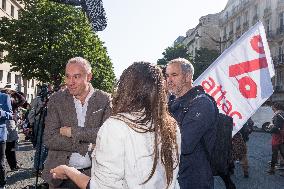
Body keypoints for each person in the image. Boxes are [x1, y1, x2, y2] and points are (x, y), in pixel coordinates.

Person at [50, 62, 180, 189]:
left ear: (125, 88)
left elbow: (101, 186)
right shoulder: (170, 125)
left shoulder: (116, 126)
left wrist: (68, 171)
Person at [43, 57, 112, 188]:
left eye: (76, 76)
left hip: (94, 175)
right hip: (60, 175)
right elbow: (49, 138)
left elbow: (106, 135)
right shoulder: (56, 99)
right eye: (67, 77)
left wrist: (72, 132)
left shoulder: (104, 99)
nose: (70, 82)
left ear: (89, 76)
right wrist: (86, 145)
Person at [166, 58, 217, 189]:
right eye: (167, 75)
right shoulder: (171, 103)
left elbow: (184, 143)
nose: (169, 80)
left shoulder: (202, 103)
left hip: (194, 181)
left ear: (188, 76)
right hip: (174, 178)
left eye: (174, 75)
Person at [0, 92, 13, 189]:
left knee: (0, 162)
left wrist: (1, 113)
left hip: (0, 136)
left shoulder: (4, 97)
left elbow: (10, 115)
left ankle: (2, 184)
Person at [267, 102, 284, 175]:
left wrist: (270, 128)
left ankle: (272, 170)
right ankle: (273, 169)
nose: (272, 109)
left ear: (276, 107)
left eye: (273, 108)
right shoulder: (282, 114)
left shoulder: (278, 115)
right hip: (281, 136)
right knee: (282, 153)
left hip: (278, 137)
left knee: (275, 154)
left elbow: (276, 128)